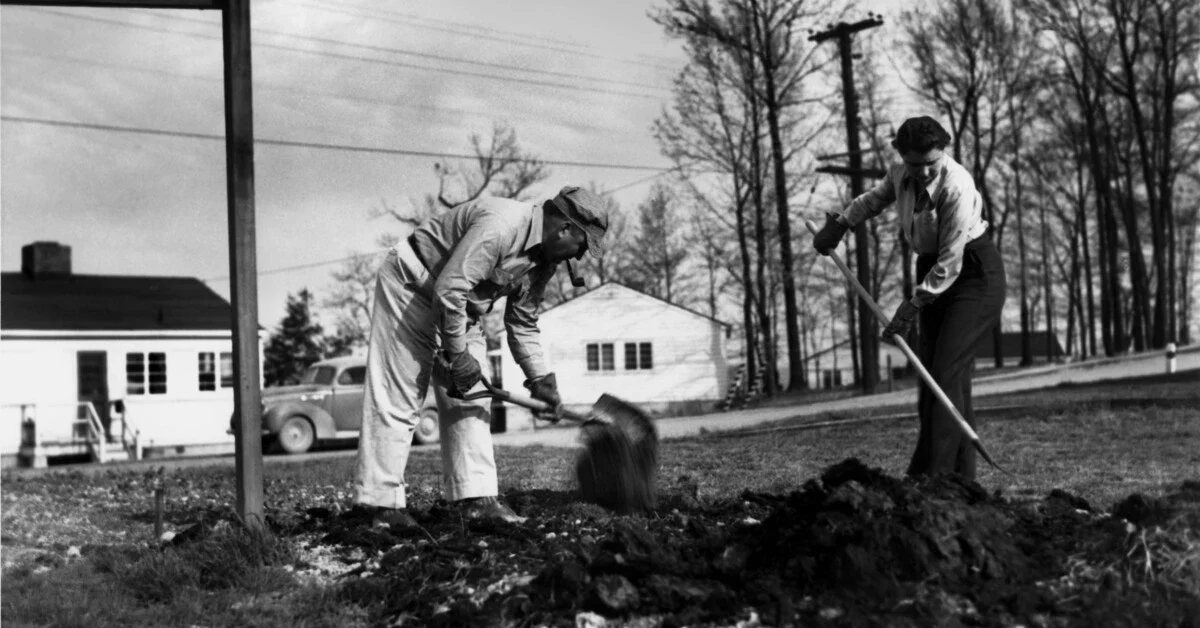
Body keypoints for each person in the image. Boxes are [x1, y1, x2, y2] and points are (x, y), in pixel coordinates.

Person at [355, 186, 611, 528]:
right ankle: (380, 505)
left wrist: (540, 380)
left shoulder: (544, 261)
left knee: (471, 398)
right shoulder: (502, 224)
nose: (577, 258)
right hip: (413, 285)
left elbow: (522, 319)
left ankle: (474, 500)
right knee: (400, 393)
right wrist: (457, 355)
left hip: (463, 307)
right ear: (565, 228)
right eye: (582, 246)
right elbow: (450, 288)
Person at [811, 116, 1007, 481]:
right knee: (933, 377)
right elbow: (873, 201)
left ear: (943, 151)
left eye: (932, 163)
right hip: (931, 273)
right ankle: (961, 479)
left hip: (974, 276)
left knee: (944, 374)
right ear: (903, 157)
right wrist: (840, 225)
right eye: (916, 165)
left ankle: (932, 478)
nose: (925, 172)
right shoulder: (901, 174)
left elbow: (951, 259)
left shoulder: (957, 186)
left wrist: (914, 305)